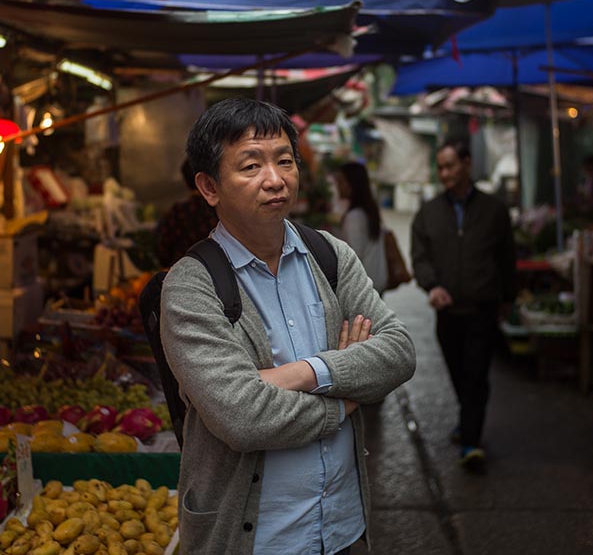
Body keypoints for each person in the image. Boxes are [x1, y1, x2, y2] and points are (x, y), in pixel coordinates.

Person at [160, 98, 416, 555]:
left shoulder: (330, 256)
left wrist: (303, 373)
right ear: (209, 186)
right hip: (257, 541)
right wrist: (347, 397)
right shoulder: (190, 286)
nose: (275, 179)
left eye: (284, 160)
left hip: (343, 529)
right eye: (251, 165)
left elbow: (398, 351)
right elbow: (243, 417)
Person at [410, 139, 516, 471]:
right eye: (440, 167)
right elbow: (420, 256)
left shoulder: (494, 210)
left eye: (450, 166)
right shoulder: (429, 213)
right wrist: (432, 285)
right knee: (458, 373)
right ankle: (467, 419)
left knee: (476, 375)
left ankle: (471, 440)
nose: (444, 174)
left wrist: (509, 298)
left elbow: (507, 258)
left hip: (482, 309)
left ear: (467, 163)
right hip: (447, 313)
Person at [334, 161, 388, 293]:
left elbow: (354, 255)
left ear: (352, 184)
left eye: (341, 182)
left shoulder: (355, 217)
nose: (338, 187)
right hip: (375, 282)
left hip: (363, 287)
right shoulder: (369, 211)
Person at [154, 159, 219, 268]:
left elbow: (162, 251)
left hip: (182, 271)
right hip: (219, 272)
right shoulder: (219, 208)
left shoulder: (177, 212)